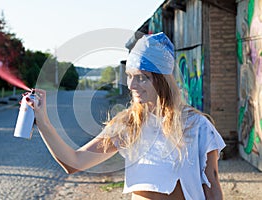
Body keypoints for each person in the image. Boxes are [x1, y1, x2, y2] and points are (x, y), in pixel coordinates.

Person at [26, 32, 226, 200]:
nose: (131, 85)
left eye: (141, 78)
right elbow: (74, 162)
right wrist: (43, 122)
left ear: (162, 80)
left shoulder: (197, 126)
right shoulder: (128, 124)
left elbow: (212, 185)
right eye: (130, 76)